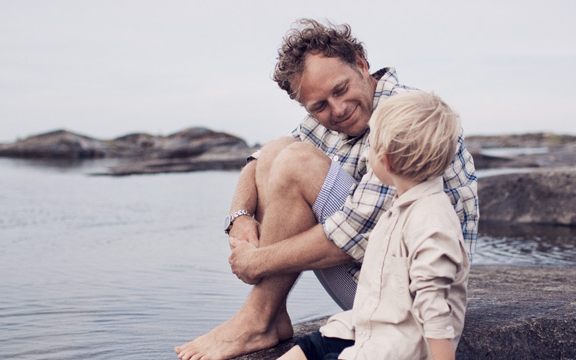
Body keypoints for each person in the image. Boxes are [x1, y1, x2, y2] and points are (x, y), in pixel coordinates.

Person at [175, 19, 478, 360]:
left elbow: (355, 234)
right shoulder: (335, 115)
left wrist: (255, 262)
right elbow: (260, 159)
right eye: (318, 106)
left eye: (340, 89)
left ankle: (257, 319)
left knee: (295, 163)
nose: (337, 109)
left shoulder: (408, 119)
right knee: (279, 152)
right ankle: (270, 316)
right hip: (374, 278)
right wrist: (240, 216)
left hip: (405, 296)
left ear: (361, 63)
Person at [278, 91, 470, 360]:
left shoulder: (431, 221)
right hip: (371, 327)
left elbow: (435, 307)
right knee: (309, 347)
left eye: (372, 144)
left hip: (395, 349)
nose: (367, 152)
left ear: (387, 161)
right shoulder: (402, 203)